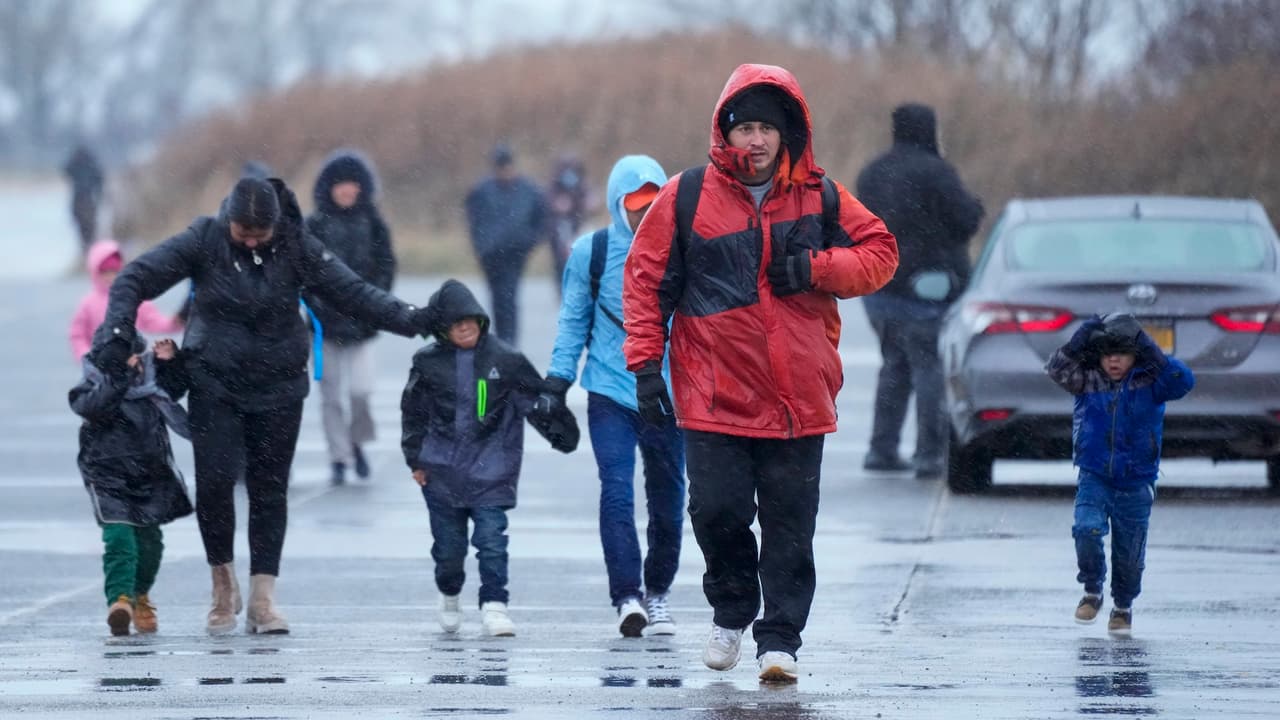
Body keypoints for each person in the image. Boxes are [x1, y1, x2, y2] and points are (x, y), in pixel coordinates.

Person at [622, 64, 899, 682]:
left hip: (799, 395)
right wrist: (644, 368)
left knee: (790, 529)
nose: (755, 140)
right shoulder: (686, 194)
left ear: (787, 134)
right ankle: (731, 611)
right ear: (725, 133)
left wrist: (815, 270)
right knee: (716, 512)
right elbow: (644, 282)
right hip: (713, 393)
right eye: (743, 127)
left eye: (766, 129)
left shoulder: (822, 195)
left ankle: (781, 642)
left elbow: (881, 253)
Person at [95, 176, 434, 635]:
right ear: (228, 221)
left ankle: (262, 599)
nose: (252, 240)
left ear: (276, 224)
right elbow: (136, 277)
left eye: (260, 233)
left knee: (269, 490)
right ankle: (222, 590)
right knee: (215, 487)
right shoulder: (204, 239)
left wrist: (415, 320)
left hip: (279, 386)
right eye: (243, 233)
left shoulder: (297, 245)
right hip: (214, 381)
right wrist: (116, 331)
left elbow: (354, 293)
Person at [545, 154, 685, 638]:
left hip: (670, 396)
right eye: (636, 204)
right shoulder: (593, 252)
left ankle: (659, 591)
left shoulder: (683, 249)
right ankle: (627, 595)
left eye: (656, 203)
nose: (646, 213)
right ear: (616, 204)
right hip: (608, 393)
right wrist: (556, 384)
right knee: (617, 494)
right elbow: (572, 321)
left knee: (669, 501)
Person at [401, 279, 578, 637]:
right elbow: (413, 412)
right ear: (441, 327)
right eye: (455, 322)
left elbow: (536, 400)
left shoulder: (506, 360)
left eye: (470, 319)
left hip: (492, 469)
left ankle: (495, 605)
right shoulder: (427, 362)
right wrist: (415, 460)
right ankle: (449, 592)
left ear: (481, 320)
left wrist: (562, 434)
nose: (465, 327)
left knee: (492, 542)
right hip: (441, 473)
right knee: (449, 550)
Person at [855, 103, 984, 478]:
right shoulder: (937, 172)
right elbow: (965, 220)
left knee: (894, 365)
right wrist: (976, 207)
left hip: (879, 290)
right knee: (929, 368)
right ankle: (929, 454)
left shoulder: (872, 173)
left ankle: (881, 448)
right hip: (925, 290)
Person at [1046, 313, 1194, 636]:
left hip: (1137, 481)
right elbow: (1056, 368)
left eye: (1123, 353)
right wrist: (1081, 337)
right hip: (1094, 475)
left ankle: (1123, 604)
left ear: (1136, 355)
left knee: (1129, 553)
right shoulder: (1087, 380)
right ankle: (1092, 588)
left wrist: (1149, 346)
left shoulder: (1151, 381)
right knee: (1086, 529)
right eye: (1107, 353)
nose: (1114, 361)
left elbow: (1183, 380)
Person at [69, 336, 193, 636]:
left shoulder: (152, 385)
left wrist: (170, 361)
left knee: (151, 544)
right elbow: (95, 406)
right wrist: (119, 375)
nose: (134, 363)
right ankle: (119, 600)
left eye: (137, 356)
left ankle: (139, 594)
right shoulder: (93, 387)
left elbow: (179, 385)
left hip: (150, 472)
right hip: (107, 474)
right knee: (119, 537)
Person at [304, 149, 397, 486]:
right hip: (323, 327)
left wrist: (375, 304)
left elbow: (386, 266)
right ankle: (338, 457)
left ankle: (357, 443)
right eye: (340, 185)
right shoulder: (313, 225)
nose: (347, 191)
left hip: (363, 325)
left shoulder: (373, 224)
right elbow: (302, 271)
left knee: (360, 392)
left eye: (352, 185)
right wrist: (317, 306)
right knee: (329, 396)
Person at [465, 143, 549, 345]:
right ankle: (503, 339)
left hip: (515, 253)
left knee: (509, 297)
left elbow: (542, 219)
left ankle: (509, 341)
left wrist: (530, 241)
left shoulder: (529, 190)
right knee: (496, 296)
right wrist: (480, 245)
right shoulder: (482, 190)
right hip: (491, 254)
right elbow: (473, 219)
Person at [69, 239, 183, 361]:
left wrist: (175, 323)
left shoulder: (134, 296)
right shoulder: (88, 304)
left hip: (132, 362)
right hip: (100, 365)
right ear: (95, 272)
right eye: (105, 272)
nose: (110, 276)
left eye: (114, 271)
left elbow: (153, 321)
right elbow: (77, 335)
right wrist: (86, 356)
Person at [546, 152, 592, 297]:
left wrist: (584, 204)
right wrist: (556, 205)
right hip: (559, 228)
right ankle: (562, 289)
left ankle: (576, 289)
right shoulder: (555, 184)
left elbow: (588, 200)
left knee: (578, 259)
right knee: (560, 261)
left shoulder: (581, 183)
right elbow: (548, 202)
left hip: (577, 225)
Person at [64, 145, 105, 253]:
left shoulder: (77, 165)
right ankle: (90, 250)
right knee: (89, 228)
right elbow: (100, 180)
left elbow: (66, 170)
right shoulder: (91, 165)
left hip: (82, 199)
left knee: (85, 228)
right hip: (87, 200)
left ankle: (88, 250)